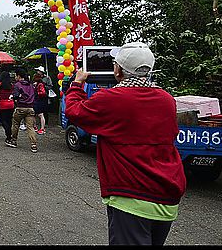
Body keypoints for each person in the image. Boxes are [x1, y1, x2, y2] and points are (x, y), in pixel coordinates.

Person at [64, 42, 186, 246]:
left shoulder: (111, 99)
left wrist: (77, 84)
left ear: (118, 70)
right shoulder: (166, 99)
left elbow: (74, 111)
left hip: (133, 197)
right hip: (167, 197)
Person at [6, 67, 38, 153]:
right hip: (30, 108)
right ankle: (33, 145)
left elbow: (16, 95)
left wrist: (14, 97)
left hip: (20, 107)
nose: (15, 77)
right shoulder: (31, 85)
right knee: (30, 127)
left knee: (16, 124)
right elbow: (35, 95)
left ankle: (14, 141)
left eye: (16, 75)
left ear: (18, 76)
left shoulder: (17, 85)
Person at [0, 71, 15, 146]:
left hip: (3, 104)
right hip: (11, 104)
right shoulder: (11, 84)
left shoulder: (0, 84)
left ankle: (8, 134)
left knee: (3, 120)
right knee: (9, 120)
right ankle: (10, 134)